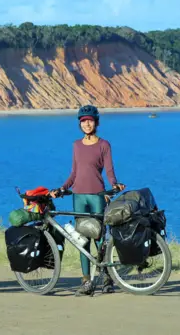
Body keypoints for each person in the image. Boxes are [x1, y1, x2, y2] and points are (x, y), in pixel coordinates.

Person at [52, 104, 125, 296]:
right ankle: (86, 280)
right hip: (78, 197)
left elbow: (109, 171)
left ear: (96, 122)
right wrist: (61, 188)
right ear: (80, 124)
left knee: (99, 238)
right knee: (81, 239)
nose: (86, 124)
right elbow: (74, 173)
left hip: (97, 196)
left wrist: (115, 184)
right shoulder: (76, 145)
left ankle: (106, 277)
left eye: (90, 121)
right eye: (83, 121)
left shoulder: (104, 145)